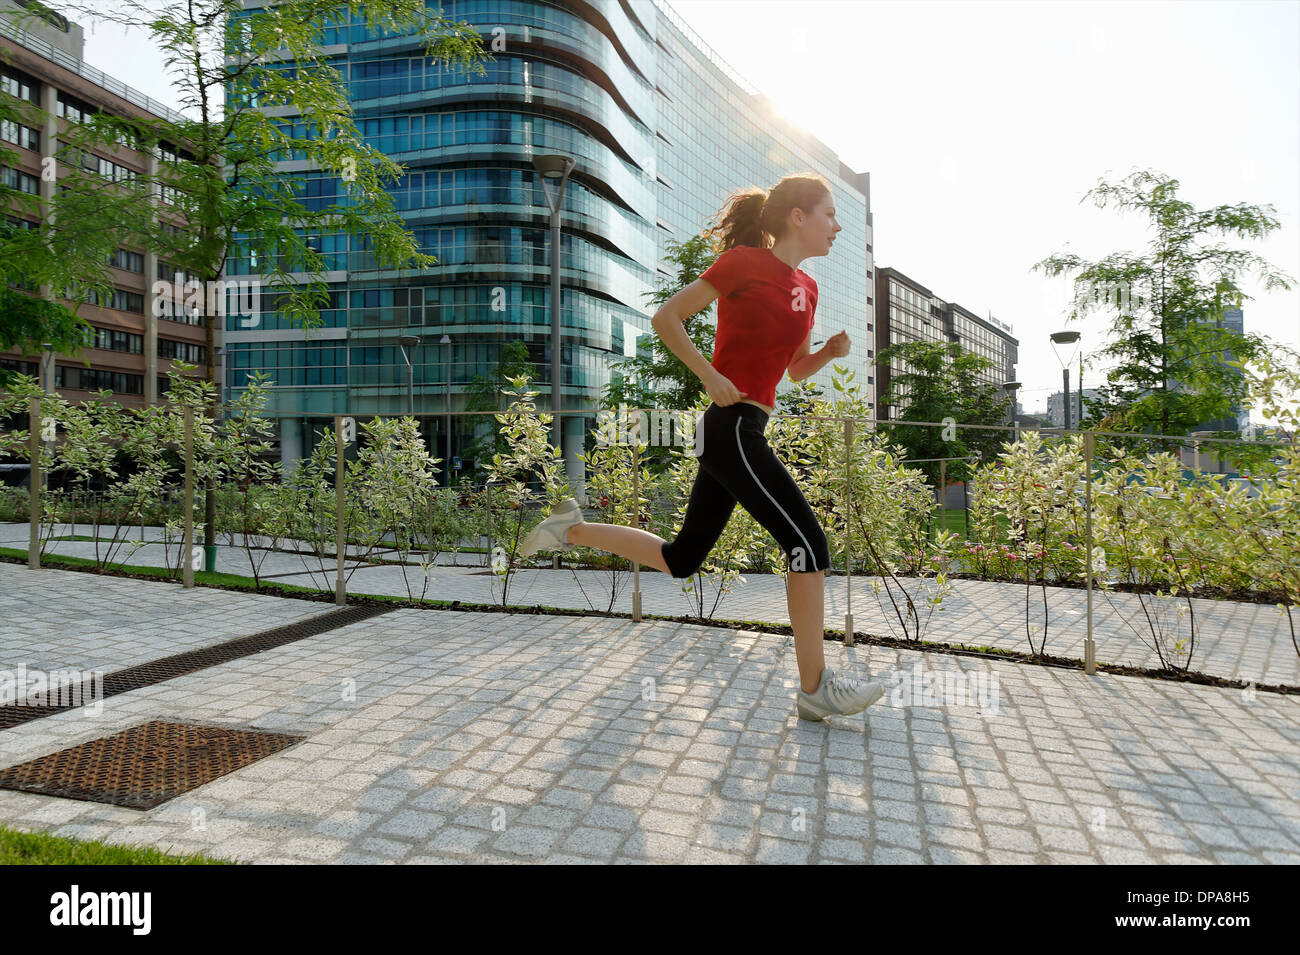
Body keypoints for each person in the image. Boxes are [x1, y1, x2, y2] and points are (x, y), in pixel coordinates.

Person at [522, 172, 884, 722]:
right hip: (729, 426)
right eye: (830, 214)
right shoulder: (742, 263)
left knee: (682, 558)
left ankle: (569, 528)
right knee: (807, 542)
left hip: (745, 430)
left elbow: (794, 371)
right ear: (798, 217)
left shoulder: (807, 289)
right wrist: (710, 376)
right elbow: (666, 317)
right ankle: (815, 685)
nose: (836, 226)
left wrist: (829, 355)